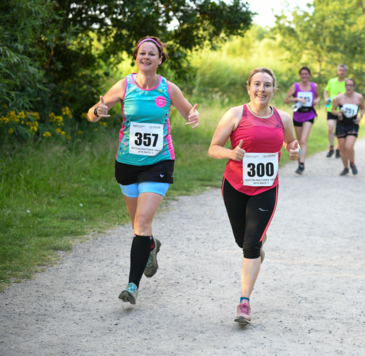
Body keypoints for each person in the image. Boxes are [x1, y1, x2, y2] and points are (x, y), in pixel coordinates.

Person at [86, 36, 199, 305]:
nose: (146, 57)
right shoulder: (124, 85)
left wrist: (193, 117)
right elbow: (92, 113)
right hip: (127, 164)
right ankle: (149, 245)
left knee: (142, 222)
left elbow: (187, 112)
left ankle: (132, 286)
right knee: (137, 225)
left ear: (160, 59)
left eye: (152, 54)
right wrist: (97, 111)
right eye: (142, 53)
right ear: (136, 57)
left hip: (159, 162)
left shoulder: (168, 89)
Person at [208, 68, 300, 325]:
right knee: (243, 241)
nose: (262, 89)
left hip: (266, 188)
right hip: (235, 186)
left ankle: (244, 302)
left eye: (267, 85)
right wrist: (230, 154)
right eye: (257, 84)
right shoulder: (235, 114)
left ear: (274, 90)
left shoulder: (284, 118)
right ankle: (257, 240)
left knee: (251, 246)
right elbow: (213, 148)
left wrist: (295, 150)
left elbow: (291, 144)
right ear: (248, 88)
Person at [284, 66, 320, 174]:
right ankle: (300, 159)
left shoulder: (314, 86)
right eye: (302, 74)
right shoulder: (295, 86)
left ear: (309, 75)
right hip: (298, 115)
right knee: (299, 141)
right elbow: (286, 99)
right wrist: (297, 98)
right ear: (300, 75)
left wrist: (317, 101)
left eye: (306, 74)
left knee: (304, 140)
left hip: (309, 114)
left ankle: (302, 164)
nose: (304, 76)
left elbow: (318, 97)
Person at [331, 78, 365, 176]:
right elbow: (333, 110)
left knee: (349, 146)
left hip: (353, 124)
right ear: (344, 86)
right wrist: (338, 112)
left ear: (354, 87)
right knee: (342, 148)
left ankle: (352, 163)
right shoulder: (339, 98)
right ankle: (345, 168)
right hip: (341, 124)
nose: (349, 87)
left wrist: (360, 116)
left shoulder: (359, 97)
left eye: (351, 85)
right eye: (347, 85)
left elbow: (363, 108)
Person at [324, 64, 348, 158]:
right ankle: (331, 147)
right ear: (337, 71)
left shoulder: (347, 82)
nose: (341, 72)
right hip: (331, 109)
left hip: (342, 110)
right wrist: (326, 98)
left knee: (339, 130)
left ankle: (338, 149)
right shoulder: (332, 81)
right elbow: (326, 91)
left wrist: (341, 95)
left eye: (343, 70)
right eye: (340, 70)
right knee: (330, 128)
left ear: (346, 72)